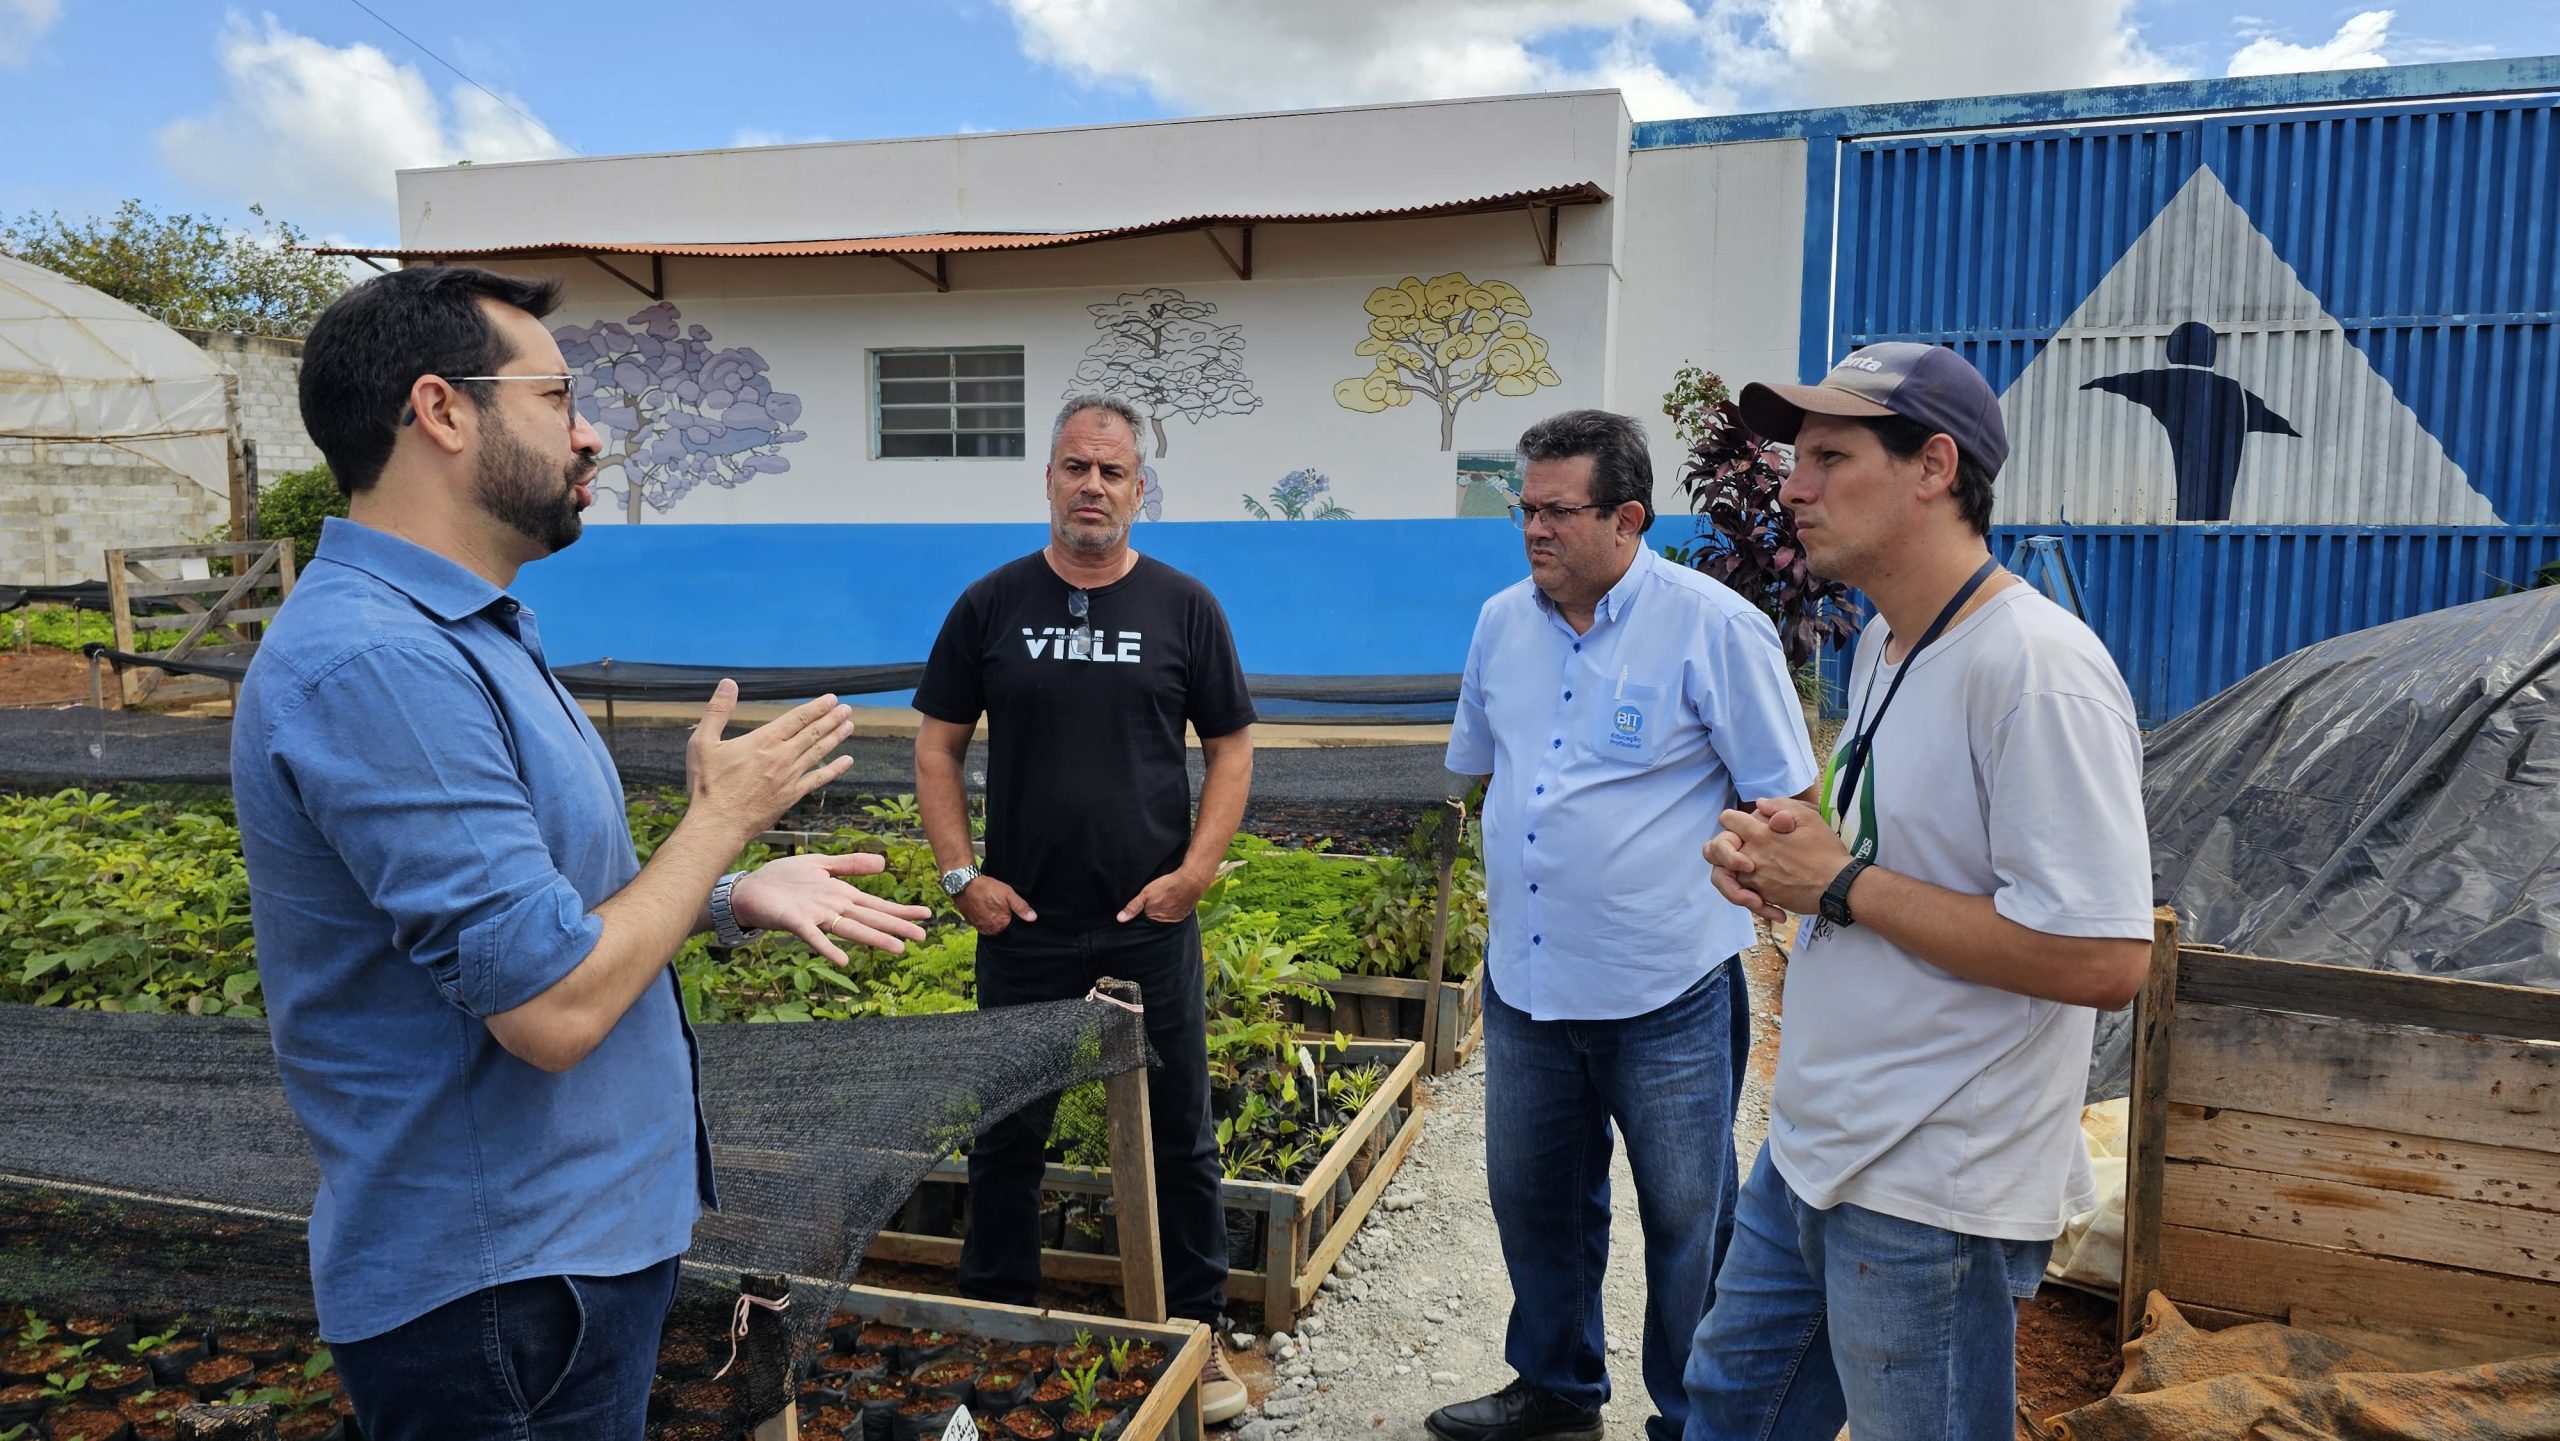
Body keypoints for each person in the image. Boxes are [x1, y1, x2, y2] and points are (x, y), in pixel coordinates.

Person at [232, 265, 933, 1440]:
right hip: (501, 1291)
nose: (590, 431)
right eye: (557, 396)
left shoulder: (464, 632)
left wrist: (722, 893)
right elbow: (549, 1007)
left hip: (552, 1268)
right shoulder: (381, 667)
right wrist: (720, 819)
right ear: (443, 411)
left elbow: (543, 915)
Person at [1683, 343, 2153, 1440]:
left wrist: (1840, 882)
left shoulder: (2037, 669)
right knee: (1729, 1410)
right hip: (1819, 1141)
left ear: (1934, 465)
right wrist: (1794, 856)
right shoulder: (1890, 646)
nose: (1792, 487)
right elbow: (1905, 857)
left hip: (1933, 1179)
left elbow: (2103, 959)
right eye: (1794, 458)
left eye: (1829, 456)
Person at [1428, 409, 1818, 1441]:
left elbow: (1788, 803)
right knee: (1534, 1201)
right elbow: (1481, 773)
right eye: (1526, 509)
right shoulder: (1500, 623)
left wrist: (1749, 859)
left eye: (1557, 511)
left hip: (1666, 992)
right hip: (1525, 985)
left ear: (1627, 517)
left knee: (1689, 1222)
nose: (1533, 531)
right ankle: (1554, 1391)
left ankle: (1697, 1417)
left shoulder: (1712, 627)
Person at [913, 393, 1255, 1425]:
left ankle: (1198, 1332)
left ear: (1138, 489)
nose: (1092, 487)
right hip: (1020, 924)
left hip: (1147, 923)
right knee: (1007, 1131)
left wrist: (1195, 873)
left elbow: (1231, 749)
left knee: (1178, 1132)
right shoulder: (990, 603)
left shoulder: (1184, 606)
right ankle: (996, 1320)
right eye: (1075, 468)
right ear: (1050, 480)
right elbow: (936, 744)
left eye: (1111, 471)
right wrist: (959, 875)